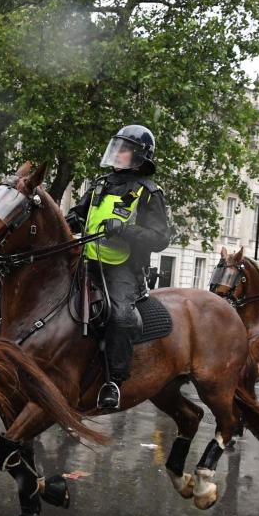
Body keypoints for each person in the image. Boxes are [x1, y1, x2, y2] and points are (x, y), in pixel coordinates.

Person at [66, 125, 171, 409]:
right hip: (88, 261)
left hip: (123, 270)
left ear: (139, 156)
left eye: (124, 149)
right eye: (117, 147)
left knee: (119, 316)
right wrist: (65, 222)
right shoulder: (101, 184)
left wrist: (123, 230)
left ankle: (114, 381)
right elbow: (79, 214)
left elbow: (161, 238)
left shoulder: (149, 192)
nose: (118, 154)